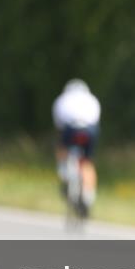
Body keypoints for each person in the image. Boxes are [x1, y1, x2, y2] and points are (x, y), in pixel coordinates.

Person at [52, 79, 101, 215]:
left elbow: (58, 124)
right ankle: (88, 197)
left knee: (61, 148)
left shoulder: (62, 100)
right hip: (90, 131)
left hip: (70, 130)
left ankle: (64, 173)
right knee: (87, 163)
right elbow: (96, 120)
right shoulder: (92, 99)